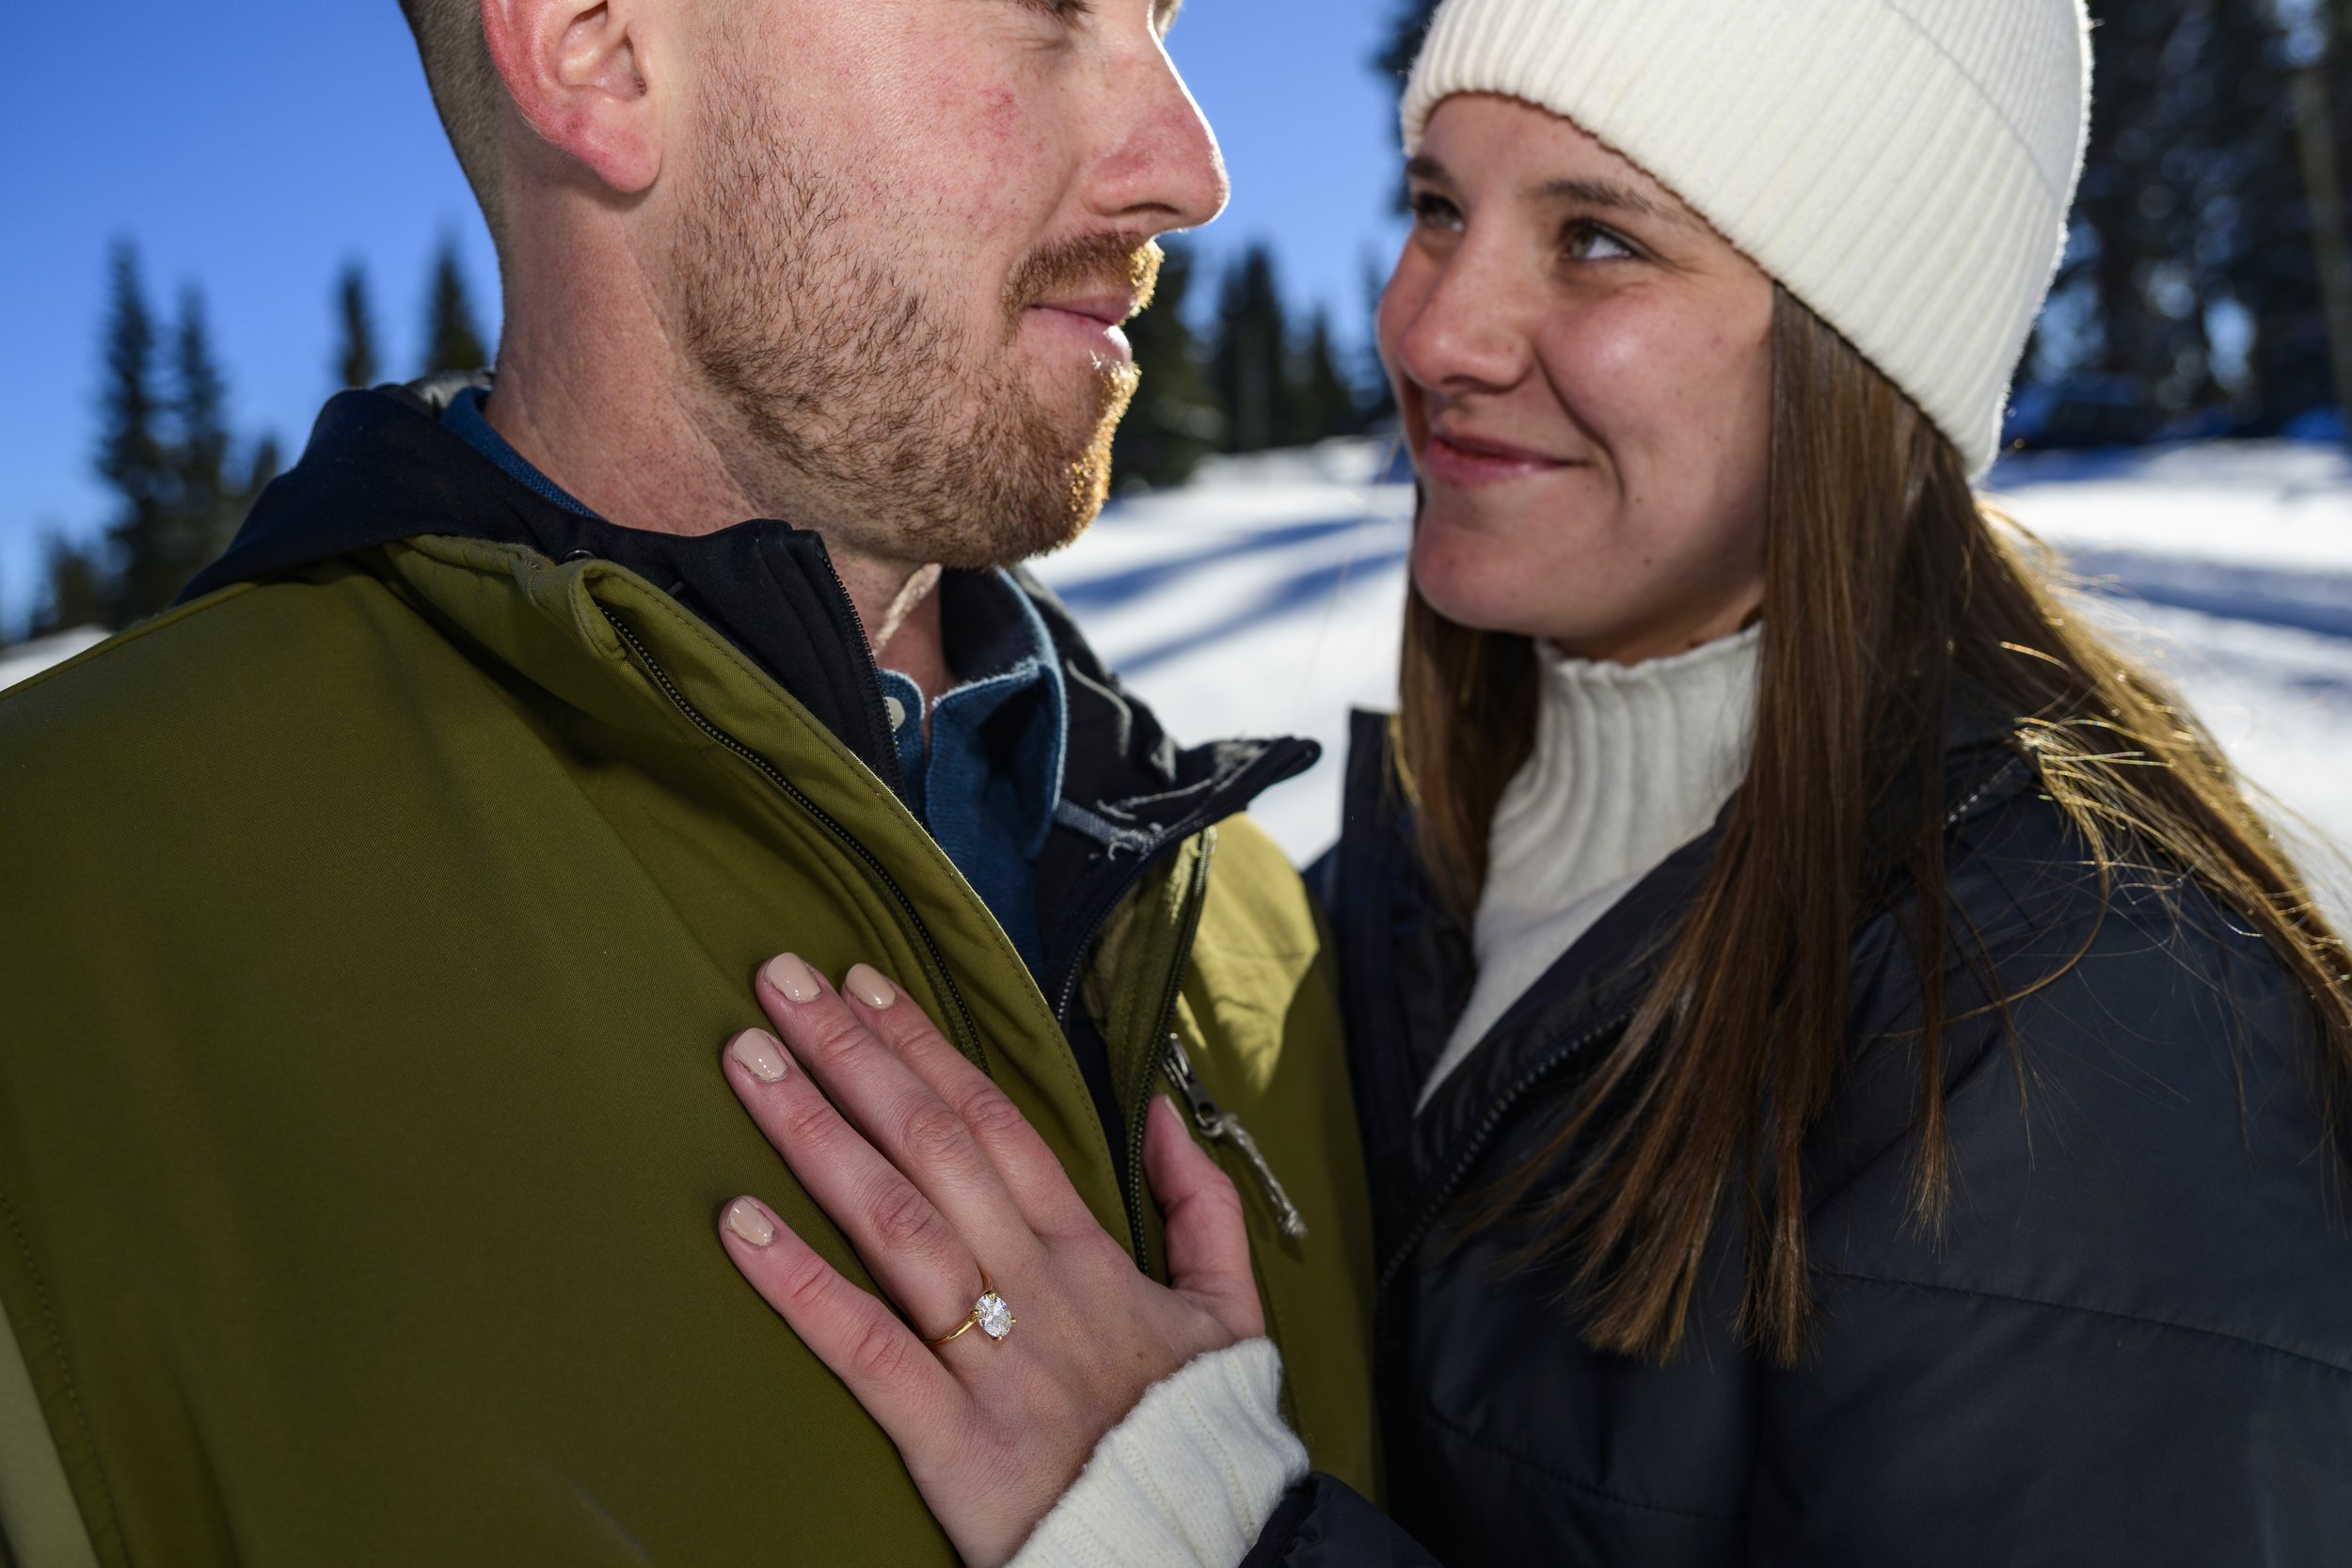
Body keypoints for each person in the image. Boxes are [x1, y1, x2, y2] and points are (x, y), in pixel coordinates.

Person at [704, 0, 2352, 1562]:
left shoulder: (2087, 1024)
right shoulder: (1415, 887)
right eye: (1436, 205)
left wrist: (1208, 1525)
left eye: (1598, 238)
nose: (1432, 330)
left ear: (1863, 355)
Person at [0, 0, 1382, 1560]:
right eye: (1050, 11)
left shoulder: (1252, 920)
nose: (1190, 169)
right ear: (598, 47)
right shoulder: (59, 925)